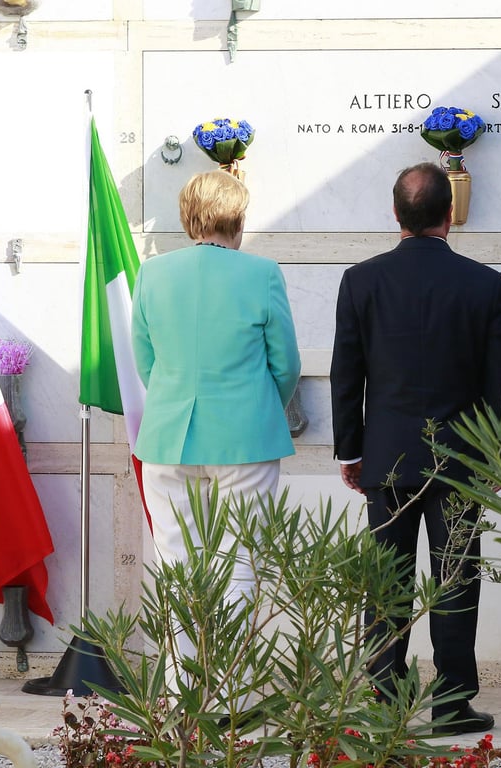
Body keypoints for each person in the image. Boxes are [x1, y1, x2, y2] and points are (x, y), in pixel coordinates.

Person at [330, 162, 501, 736]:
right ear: (449, 214)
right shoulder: (483, 284)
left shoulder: (360, 281)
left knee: (387, 580)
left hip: (386, 458)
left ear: (396, 215)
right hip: (462, 460)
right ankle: (453, 704)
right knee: (457, 579)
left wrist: (349, 452)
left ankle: (386, 701)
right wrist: (498, 458)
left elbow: (347, 375)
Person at [131, 170, 302, 702]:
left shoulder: (152, 275)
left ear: (187, 216)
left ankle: (185, 694)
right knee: (241, 561)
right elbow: (286, 365)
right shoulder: (262, 274)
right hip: (244, 438)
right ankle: (231, 695)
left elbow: (145, 360)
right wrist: (256, 406)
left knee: (177, 565)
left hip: (168, 436)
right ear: (239, 218)